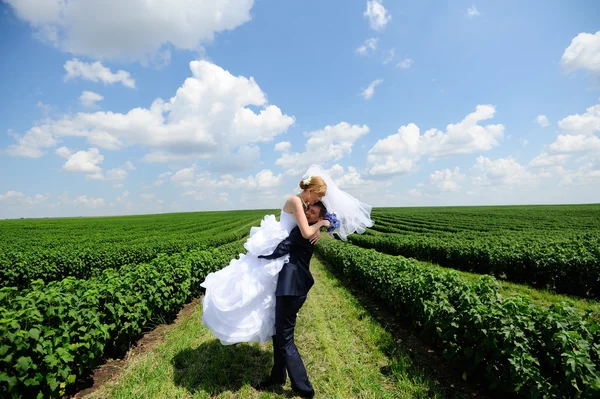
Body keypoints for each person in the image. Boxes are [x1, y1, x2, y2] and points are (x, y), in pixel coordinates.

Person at [200, 164, 373, 346]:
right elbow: (306, 232)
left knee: (270, 294)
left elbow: (307, 228)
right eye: (319, 195)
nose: (319, 199)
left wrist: (321, 225)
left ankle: (279, 339)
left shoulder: (305, 203)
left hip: (290, 244)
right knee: (256, 284)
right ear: (311, 190)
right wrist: (321, 222)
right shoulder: (296, 201)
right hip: (281, 242)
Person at [254, 201, 327, 398]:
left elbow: (282, 248)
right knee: (279, 334)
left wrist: (259, 255)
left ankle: (305, 389)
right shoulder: (308, 230)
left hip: (291, 289)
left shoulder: (303, 232)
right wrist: (319, 226)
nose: (308, 214)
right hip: (291, 288)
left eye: (313, 213)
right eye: (308, 210)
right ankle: (277, 377)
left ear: (320, 218)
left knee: (285, 339)